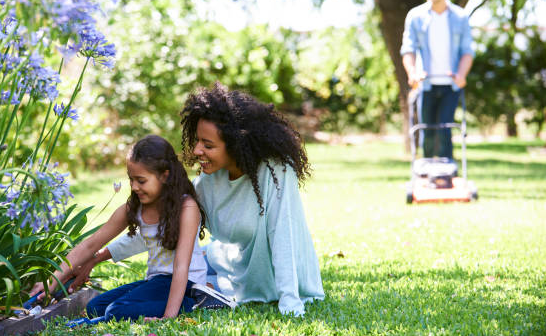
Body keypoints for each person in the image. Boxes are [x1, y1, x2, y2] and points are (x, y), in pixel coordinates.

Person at [29, 135, 233, 323]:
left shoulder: (187, 207)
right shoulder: (134, 208)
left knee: (115, 312)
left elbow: (181, 265)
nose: (134, 187)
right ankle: (168, 304)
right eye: (131, 179)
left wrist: (169, 316)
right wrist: (53, 280)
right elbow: (91, 244)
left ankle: (195, 302)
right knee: (95, 307)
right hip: (157, 281)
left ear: (164, 176)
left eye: (141, 181)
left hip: (186, 282)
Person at [179, 82, 325, 316]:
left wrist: (290, 302)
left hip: (264, 285)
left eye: (208, 145)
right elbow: (171, 224)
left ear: (236, 145)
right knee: (169, 277)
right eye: (197, 141)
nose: (197, 150)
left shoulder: (275, 172)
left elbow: (283, 236)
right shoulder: (207, 183)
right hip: (227, 271)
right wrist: (104, 250)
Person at [400, 0, 474, 160]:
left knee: (445, 130)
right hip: (426, 84)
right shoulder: (415, 17)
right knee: (427, 132)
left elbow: (467, 51)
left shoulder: (460, 17)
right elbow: (408, 49)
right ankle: (427, 173)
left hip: (451, 84)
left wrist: (461, 75)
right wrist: (412, 74)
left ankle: (447, 174)